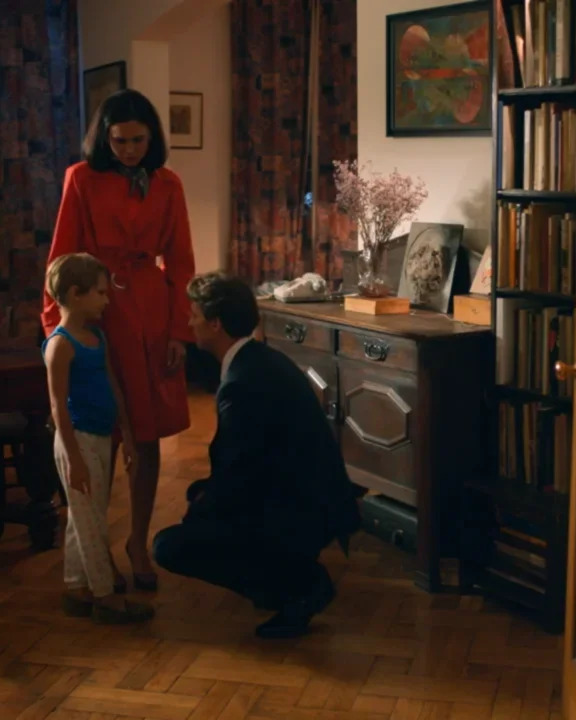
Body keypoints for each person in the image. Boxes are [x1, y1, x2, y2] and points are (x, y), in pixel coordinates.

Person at [42, 89, 196, 590]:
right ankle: (96, 548)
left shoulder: (168, 184)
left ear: (152, 138)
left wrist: (179, 330)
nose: (129, 150)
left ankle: (137, 541)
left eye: (138, 140)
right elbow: (61, 256)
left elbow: (182, 263)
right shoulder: (80, 178)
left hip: (150, 312)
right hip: (97, 310)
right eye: (119, 140)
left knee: (145, 435)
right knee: (97, 436)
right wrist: (57, 328)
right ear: (104, 139)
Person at [152, 273, 362, 639]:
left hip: (300, 513)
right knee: (200, 506)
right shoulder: (258, 361)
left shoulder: (241, 382)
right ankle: (281, 580)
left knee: (169, 546)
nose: (189, 322)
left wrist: (201, 511)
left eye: (195, 315)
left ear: (215, 324)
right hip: (309, 501)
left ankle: (299, 587)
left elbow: (240, 475)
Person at [43, 253, 152, 624]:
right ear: (76, 294)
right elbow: (58, 406)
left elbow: (113, 387)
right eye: (101, 293)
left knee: (85, 516)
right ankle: (105, 596)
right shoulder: (60, 345)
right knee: (92, 523)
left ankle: (76, 587)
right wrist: (73, 457)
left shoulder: (97, 338)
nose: (107, 300)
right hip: (77, 441)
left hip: (102, 437)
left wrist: (128, 436)